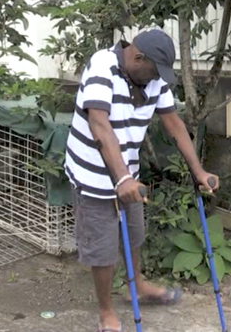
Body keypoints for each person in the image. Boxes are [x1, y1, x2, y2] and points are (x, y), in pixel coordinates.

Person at [64, 29, 219, 332]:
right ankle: (106, 310)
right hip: (92, 173)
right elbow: (99, 123)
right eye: (153, 71)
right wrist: (121, 178)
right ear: (137, 57)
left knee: (135, 233)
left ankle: (136, 286)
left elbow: (173, 122)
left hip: (127, 172)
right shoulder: (101, 66)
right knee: (103, 247)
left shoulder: (153, 79)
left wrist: (198, 172)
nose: (157, 78)